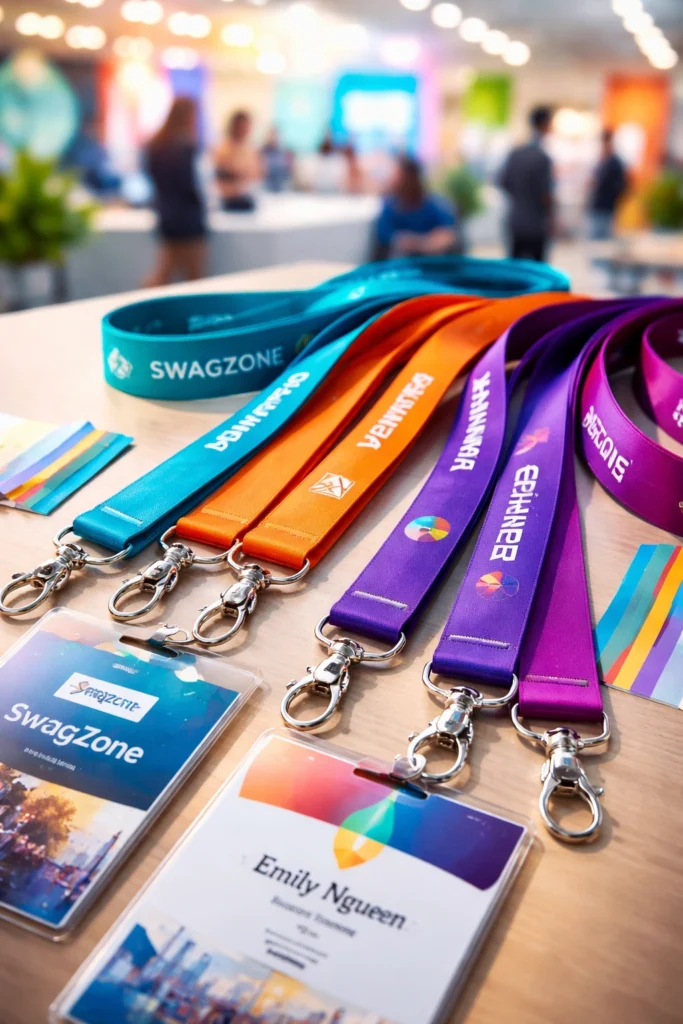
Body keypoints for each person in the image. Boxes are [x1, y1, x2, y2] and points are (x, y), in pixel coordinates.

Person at [143, 96, 207, 286]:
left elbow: (151, 176)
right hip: (188, 218)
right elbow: (190, 184)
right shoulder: (186, 145)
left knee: (165, 270)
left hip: (166, 214)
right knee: (194, 275)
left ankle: (145, 306)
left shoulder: (156, 144)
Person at [373, 155, 459, 259]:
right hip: (400, 265)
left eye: (399, 176)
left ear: (413, 178)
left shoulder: (435, 205)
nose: (394, 180)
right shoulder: (390, 206)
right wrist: (422, 242)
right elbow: (386, 237)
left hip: (432, 264)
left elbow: (447, 235)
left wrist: (419, 243)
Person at [498, 105, 554, 262]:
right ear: (545, 124)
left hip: (515, 221)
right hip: (536, 225)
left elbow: (503, 182)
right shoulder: (542, 157)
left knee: (516, 270)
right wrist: (552, 219)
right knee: (538, 273)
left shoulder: (515, 153)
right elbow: (546, 194)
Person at [214, 110, 261, 211]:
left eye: (248, 126)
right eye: (243, 126)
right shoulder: (223, 149)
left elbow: (256, 174)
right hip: (228, 200)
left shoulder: (250, 150)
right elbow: (221, 173)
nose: (246, 129)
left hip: (247, 196)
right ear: (235, 126)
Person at [588, 128, 628, 240]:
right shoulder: (602, 160)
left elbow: (622, 185)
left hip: (607, 206)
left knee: (603, 241)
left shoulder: (614, 162)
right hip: (597, 204)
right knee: (594, 240)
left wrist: (615, 199)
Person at [261, 127, 292, 192]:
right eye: (271, 135)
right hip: (265, 188)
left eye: (275, 135)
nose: (273, 137)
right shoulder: (262, 152)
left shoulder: (284, 153)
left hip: (281, 189)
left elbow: (288, 173)